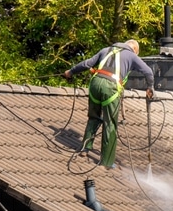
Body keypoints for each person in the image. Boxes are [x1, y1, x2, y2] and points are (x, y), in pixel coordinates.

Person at [64, 39, 154, 169]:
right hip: (110, 88)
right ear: (134, 50)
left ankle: (85, 148)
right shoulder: (131, 55)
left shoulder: (105, 50)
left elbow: (87, 63)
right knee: (110, 123)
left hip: (95, 85)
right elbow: (148, 72)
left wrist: (70, 72)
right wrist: (150, 88)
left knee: (93, 117)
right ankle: (106, 161)